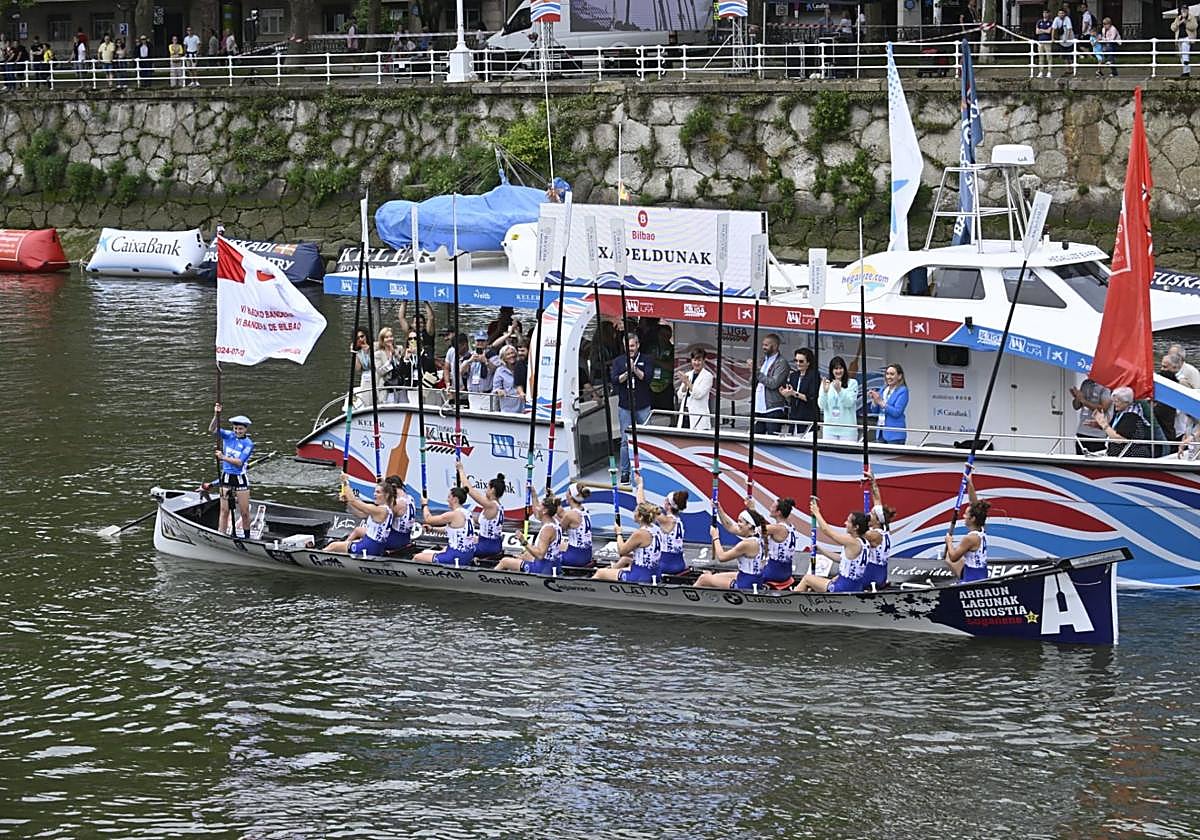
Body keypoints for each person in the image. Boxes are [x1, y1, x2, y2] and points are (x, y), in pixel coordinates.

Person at [793, 498, 870, 593]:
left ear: (856, 527)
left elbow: (827, 531)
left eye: (848, 521)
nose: (845, 523)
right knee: (821, 581)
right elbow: (841, 559)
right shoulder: (865, 542)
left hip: (843, 588)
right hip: (854, 586)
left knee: (807, 579)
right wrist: (822, 550)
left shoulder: (852, 541)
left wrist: (816, 512)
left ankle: (791, 602)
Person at [610, 330, 655, 483]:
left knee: (646, 439)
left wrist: (634, 369)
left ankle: (648, 469)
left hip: (642, 405)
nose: (631, 349)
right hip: (625, 406)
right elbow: (615, 380)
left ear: (638, 345)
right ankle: (625, 472)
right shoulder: (618, 361)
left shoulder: (647, 359)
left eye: (633, 346)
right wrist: (626, 373)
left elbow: (647, 378)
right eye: (628, 346)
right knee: (624, 440)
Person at [209, 404, 255, 538]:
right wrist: (216, 415)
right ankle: (221, 535)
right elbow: (213, 429)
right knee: (224, 511)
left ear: (245, 429)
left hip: (240, 478)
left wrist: (223, 457)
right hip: (227, 477)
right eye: (235, 428)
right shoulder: (228, 436)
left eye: (240, 429)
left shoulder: (248, 444)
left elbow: (239, 463)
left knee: (244, 512)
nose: (237, 431)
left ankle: (247, 537)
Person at [695, 510, 768, 590]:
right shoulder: (759, 534)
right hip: (753, 578)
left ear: (750, 525)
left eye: (740, 522)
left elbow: (722, 557)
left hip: (745, 585)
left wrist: (715, 536)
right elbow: (730, 527)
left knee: (704, 579)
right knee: (713, 576)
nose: (737, 524)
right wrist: (718, 508)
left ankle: (687, 599)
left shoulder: (747, 544)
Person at [592, 502, 663, 583]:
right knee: (624, 560)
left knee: (600, 573)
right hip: (654, 572)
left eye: (635, 511)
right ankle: (611, 573)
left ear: (640, 517)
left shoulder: (640, 533)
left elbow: (622, 551)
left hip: (641, 575)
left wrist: (618, 533)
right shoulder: (656, 529)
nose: (633, 512)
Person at [327, 475, 395, 555]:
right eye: (375, 491)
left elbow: (354, 501)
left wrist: (345, 483)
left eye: (378, 492)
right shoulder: (386, 508)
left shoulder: (379, 510)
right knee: (354, 536)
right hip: (375, 546)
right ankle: (344, 550)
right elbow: (360, 514)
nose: (374, 494)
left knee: (333, 545)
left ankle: (321, 555)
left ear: (386, 495)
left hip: (369, 547)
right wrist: (347, 502)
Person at [496, 495, 563, 574]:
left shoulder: (547, 529)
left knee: (505, 561)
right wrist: (533, 494)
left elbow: (540, 555)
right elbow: (536, 514)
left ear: (544, 511)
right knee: (524, 555)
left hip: (543, 568)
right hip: (553, 565)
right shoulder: (554, 522)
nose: (537, 508)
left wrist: (523, 540)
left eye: (540, 506)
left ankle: (486, 579)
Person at [637, 475, 688, 575]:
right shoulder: (679, 521)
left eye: (665, 500)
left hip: (666, 564)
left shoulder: (666, 520)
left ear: (668, 505)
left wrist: (640, 485)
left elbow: (642, 505)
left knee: (629, 559)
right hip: (679, 562)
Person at [413, 487, 477, 566]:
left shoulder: (453, 514)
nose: (447, 500)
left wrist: (424, 504)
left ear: (455, 499)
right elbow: (450, 530)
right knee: (441, 550)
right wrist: (432, 529)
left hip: (456, 556)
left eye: (449, 497)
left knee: (417, 557)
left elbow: (428, 519)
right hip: (467, 555)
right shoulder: (468, 513)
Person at [943, 474, 989, 582]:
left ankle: (961, 583)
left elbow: (954, 557)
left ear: (972, 518)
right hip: (981, 572)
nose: (963, 516)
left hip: (973, 578)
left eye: (966, 514)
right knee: (948, 558)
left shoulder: (970, 538)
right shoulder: (982, 528)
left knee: (950, 557)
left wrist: (949, 542)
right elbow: (974, 504)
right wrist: (970, 483)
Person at [457, 462, 506, 559]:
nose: (485, 490)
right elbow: (480, 519)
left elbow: (469, 489)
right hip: (489, 543)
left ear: (492, 490)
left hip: (487, 546)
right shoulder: (497, 506)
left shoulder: (491, 505)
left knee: (459, 549)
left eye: (487, 488)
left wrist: (460, 470)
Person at [1093, 386, 1152, 458]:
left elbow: (1119, 439)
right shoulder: (1121, 413)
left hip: (1131, 456)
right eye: (1113, 401)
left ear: (1126, 401)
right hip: (1118, 455)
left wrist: (1103, 423)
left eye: (1117, 401)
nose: (1114, 404)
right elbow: (1114, 430)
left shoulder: (1131, 416)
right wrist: (1099, 425)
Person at [863, 470, 895, 589]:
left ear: (877, 520)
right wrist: (872, 481)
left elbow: (854, 533)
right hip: (881, 573)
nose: (868, 515)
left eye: (871, 514)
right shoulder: (885, 527)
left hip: (871, 573)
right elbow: (877, 500)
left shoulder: (873, 535)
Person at [752, 333, 790, 435]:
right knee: (756, 439)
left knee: (772, 439)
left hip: (773, 408)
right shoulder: (763, 360)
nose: (763, 347)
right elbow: (756, 381)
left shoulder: (781, 363)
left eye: (766, 345)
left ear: (775, 346)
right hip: (759, 407)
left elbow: (773, 383)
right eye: (763, 344)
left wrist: (756, 372)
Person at [817, 356, 859, 441]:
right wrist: (825, 392)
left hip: (848, 430)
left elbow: (849, 403)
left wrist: (839, 390)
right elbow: (821, 405)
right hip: (829, 430)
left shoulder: (852, 383)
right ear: (831, 370)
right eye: (836, 368)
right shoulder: (826, 383)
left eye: (841, 368)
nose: (838, 371)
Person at [868, 363, 909, 444]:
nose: (888, 377)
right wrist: (874, 401)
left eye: (892, 374)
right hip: (881, 432)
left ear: (900, 376)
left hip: (895, 434)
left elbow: (897, 412)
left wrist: (880, 402)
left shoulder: (903, 391)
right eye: (887, 374)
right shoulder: (884, 389)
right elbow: (874, 411)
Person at [781, 347, 819, 436]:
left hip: (808, 419)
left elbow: (812, 398)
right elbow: (791, 399)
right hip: (794, 419)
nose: (798, 363)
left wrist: (794, 393)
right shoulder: (794, 376)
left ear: (808, 362)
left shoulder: (814, 376)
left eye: (801, 361)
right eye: (796, 361)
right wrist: (786, 394)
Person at [1070, 377, 1113, 454]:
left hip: (1097, 433)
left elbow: (1103, 408)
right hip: (1081, 430)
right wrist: (1077, 397)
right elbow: (1076, 406)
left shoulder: (1106, 386)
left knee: (1095, 460)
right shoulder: (1086, 383)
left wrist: (1084, 401)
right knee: (1080, 460)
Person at [675, 348, 713, 431]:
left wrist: (687, 382)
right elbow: (680, 396)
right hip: (685, 413)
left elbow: (698, 395)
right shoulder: (688, 374)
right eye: (694, 360)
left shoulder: (708, 376)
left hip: (698, 416)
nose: (696, 363)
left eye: (699, 360)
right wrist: (685, 384)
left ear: (703, 361)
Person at [560, 483, 594, 568]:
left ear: (571, 496)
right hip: (587, 555)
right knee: (562, 545)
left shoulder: (570, 515)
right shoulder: (585, 510)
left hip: (574, 558)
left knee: (546, 554)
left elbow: (558, 532)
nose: (565, 494)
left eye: (567, 492)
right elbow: (561, 513)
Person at [462, 330, 498, 411]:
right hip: (473, 394)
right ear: (475, 341)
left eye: (482, 341)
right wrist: (469, 361)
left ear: (487, 342)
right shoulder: (469, 356)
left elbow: (495, 370)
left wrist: (486, 361)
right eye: (478, 340)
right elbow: (461, 372)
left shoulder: (492, 355)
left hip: (487, 395)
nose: (480, 343)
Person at [384, 475, 418, 555]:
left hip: (394, 539)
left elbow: (382, 517)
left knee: (361, 532)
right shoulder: (410, 497)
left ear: (393, 487)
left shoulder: (398, 503)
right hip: (406, 537)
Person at [492, 344, 524, 413]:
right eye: (508, 354)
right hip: (507, 408)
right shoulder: (500, 371)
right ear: (503, 358)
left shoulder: (522, 367)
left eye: (512, 353)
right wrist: (499, 391)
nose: (511, 355)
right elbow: (496, 388)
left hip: (522, 406)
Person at [1172, 5, 1197, 78]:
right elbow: (1173, 28)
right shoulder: (1178, 18)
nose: (1184, 10)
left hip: (1187, 37)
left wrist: (1185, 22)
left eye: (1185, 9)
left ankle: (1186, 61)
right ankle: (1186, 72)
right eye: (1183, 9)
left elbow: (1194, 26)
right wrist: (1178, 23)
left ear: (1188, 10)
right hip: (1179, 38)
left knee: (1185, 51)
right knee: (1182, 56)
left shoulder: (1191, 17)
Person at [1035, 10, 1054, 78]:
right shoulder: (1039, 21)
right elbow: (1037, 32)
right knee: (1041, 57)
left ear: (1048, 14)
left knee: (1049, 56)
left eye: (1046, 13)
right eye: (1044, 12)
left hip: (1047, 41)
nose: (1045, 14)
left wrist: (1041, 30)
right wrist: (1044, 30)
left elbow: (1049, 31)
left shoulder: (1051, 22)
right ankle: (1041, 71)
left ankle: (1049, 71)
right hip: (1040, 41)